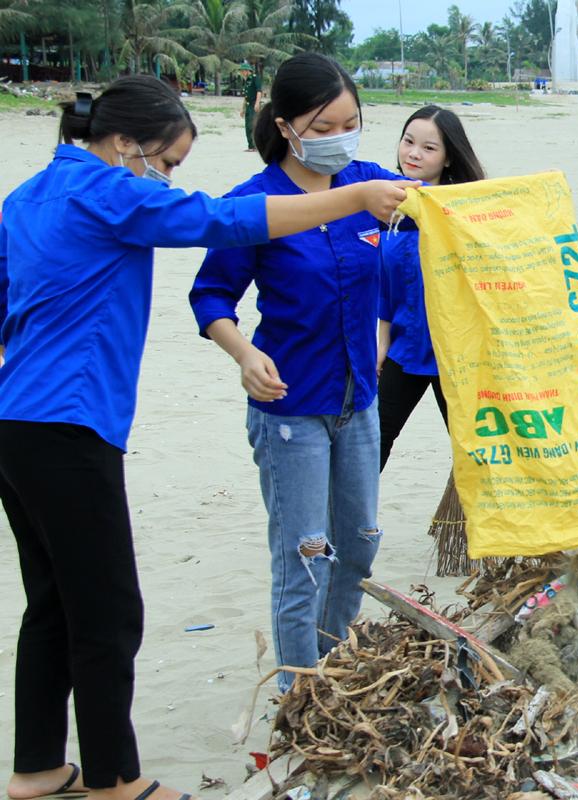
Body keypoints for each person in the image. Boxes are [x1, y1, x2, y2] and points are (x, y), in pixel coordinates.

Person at [0, 75, 407, 800]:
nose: (167, 178)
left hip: (18, 422)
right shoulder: (107, 189)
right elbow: (221, 223)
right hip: (70, 422)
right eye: (169, 162)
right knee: (107, 613)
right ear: (125, 143)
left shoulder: (31, 195)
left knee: (55, 603)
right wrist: (349, 199)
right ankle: (115, 781)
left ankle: (36, 768)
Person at [188, 53, 406, 692]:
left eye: (352, 120)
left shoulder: (369, 185)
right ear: (285, 127)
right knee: (305, 555)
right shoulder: (253, 204)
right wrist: (243, 354)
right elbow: (210, 297)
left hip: (358, 401)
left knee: (359, 544)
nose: (342, 133)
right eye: (325, 123)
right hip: (290, 410)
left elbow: (448, 216)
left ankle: (335, 663)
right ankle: (297, 689)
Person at [378, 105, 485, 469]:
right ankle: (346, 523)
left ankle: (482, 526)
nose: (413, 153)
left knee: (476, 452)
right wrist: (380, 338)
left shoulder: (468, 211)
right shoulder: (384, 204)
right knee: (372, 440)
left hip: (458, 354)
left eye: (428, 147)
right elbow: (381, 286)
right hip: (402, 347)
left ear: (449, 157)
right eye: (408, 141)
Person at [240, 62, 262, 152]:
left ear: (247, 71)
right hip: (248, 105)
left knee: (252, 125)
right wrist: (242, 108)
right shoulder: (247, 81)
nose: (241, 73)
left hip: (254, 104)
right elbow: (246, 97)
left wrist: (257, 103)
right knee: (247, 125)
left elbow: (259, 91)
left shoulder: (255, 78)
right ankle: (250, 146)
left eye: (242, 71)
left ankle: (255, 146)